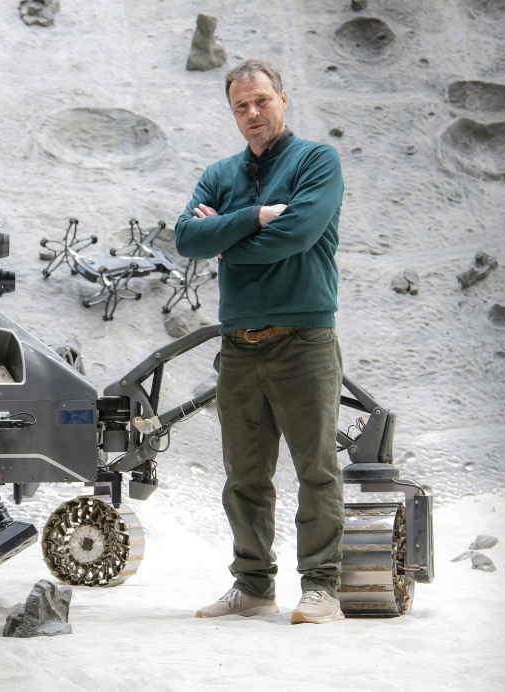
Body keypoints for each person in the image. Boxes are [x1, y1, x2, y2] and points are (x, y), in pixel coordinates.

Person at [173, 59, 346, 625]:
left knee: (315, 469)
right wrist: (254, 216)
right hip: (239, 346)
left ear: (283, 99)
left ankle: (321, 589)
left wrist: (225, 237)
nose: (252, 113)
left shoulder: (317, 160)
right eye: (241, 105)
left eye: (262, 101)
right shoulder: (220, 172)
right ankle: (252, 587)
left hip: (304, 341)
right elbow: (184, 238)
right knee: (244, 476)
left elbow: (295, 235)